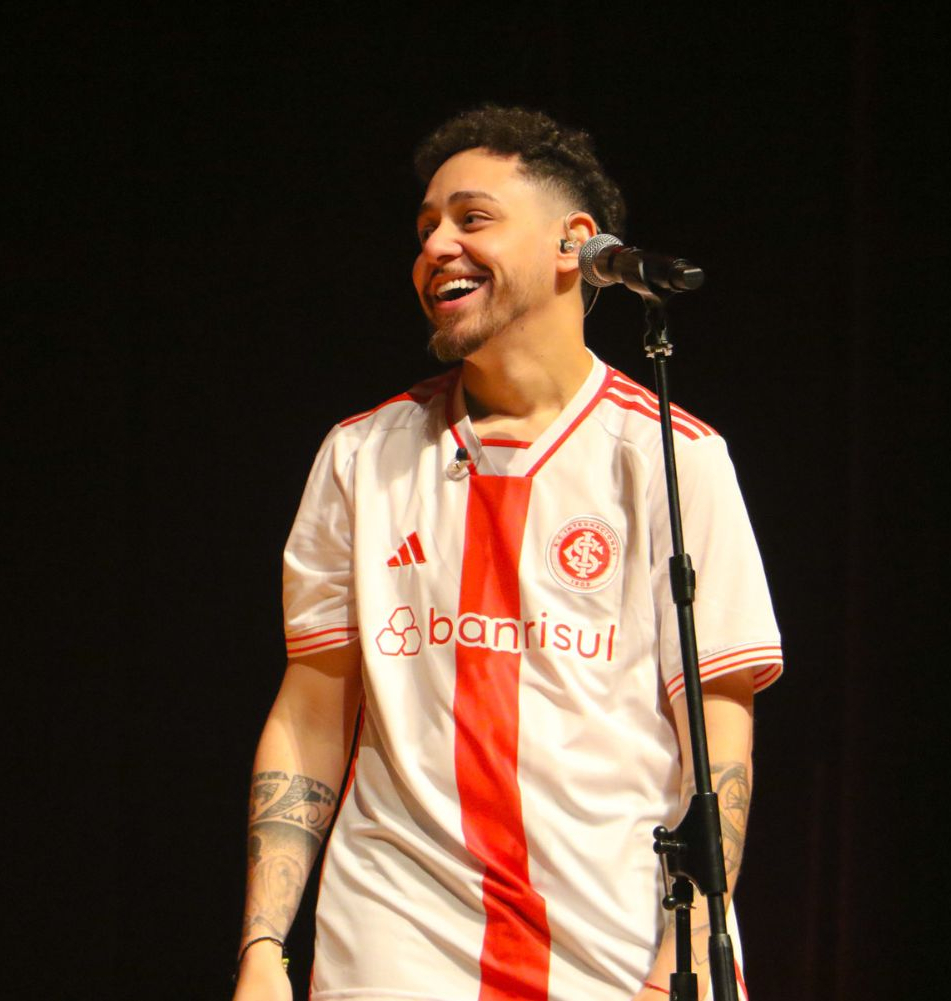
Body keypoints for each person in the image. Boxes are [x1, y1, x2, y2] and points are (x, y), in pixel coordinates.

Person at [233, 105, 783, 1001]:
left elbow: (716, 731)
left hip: (611, 946)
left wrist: (680, 949)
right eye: (425, 228)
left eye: (472, 218)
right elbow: (311, 707)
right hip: (391, 941)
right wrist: (264, 945)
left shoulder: (670, 455)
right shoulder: (361, 455)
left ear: (575, 243)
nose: (435, 247)